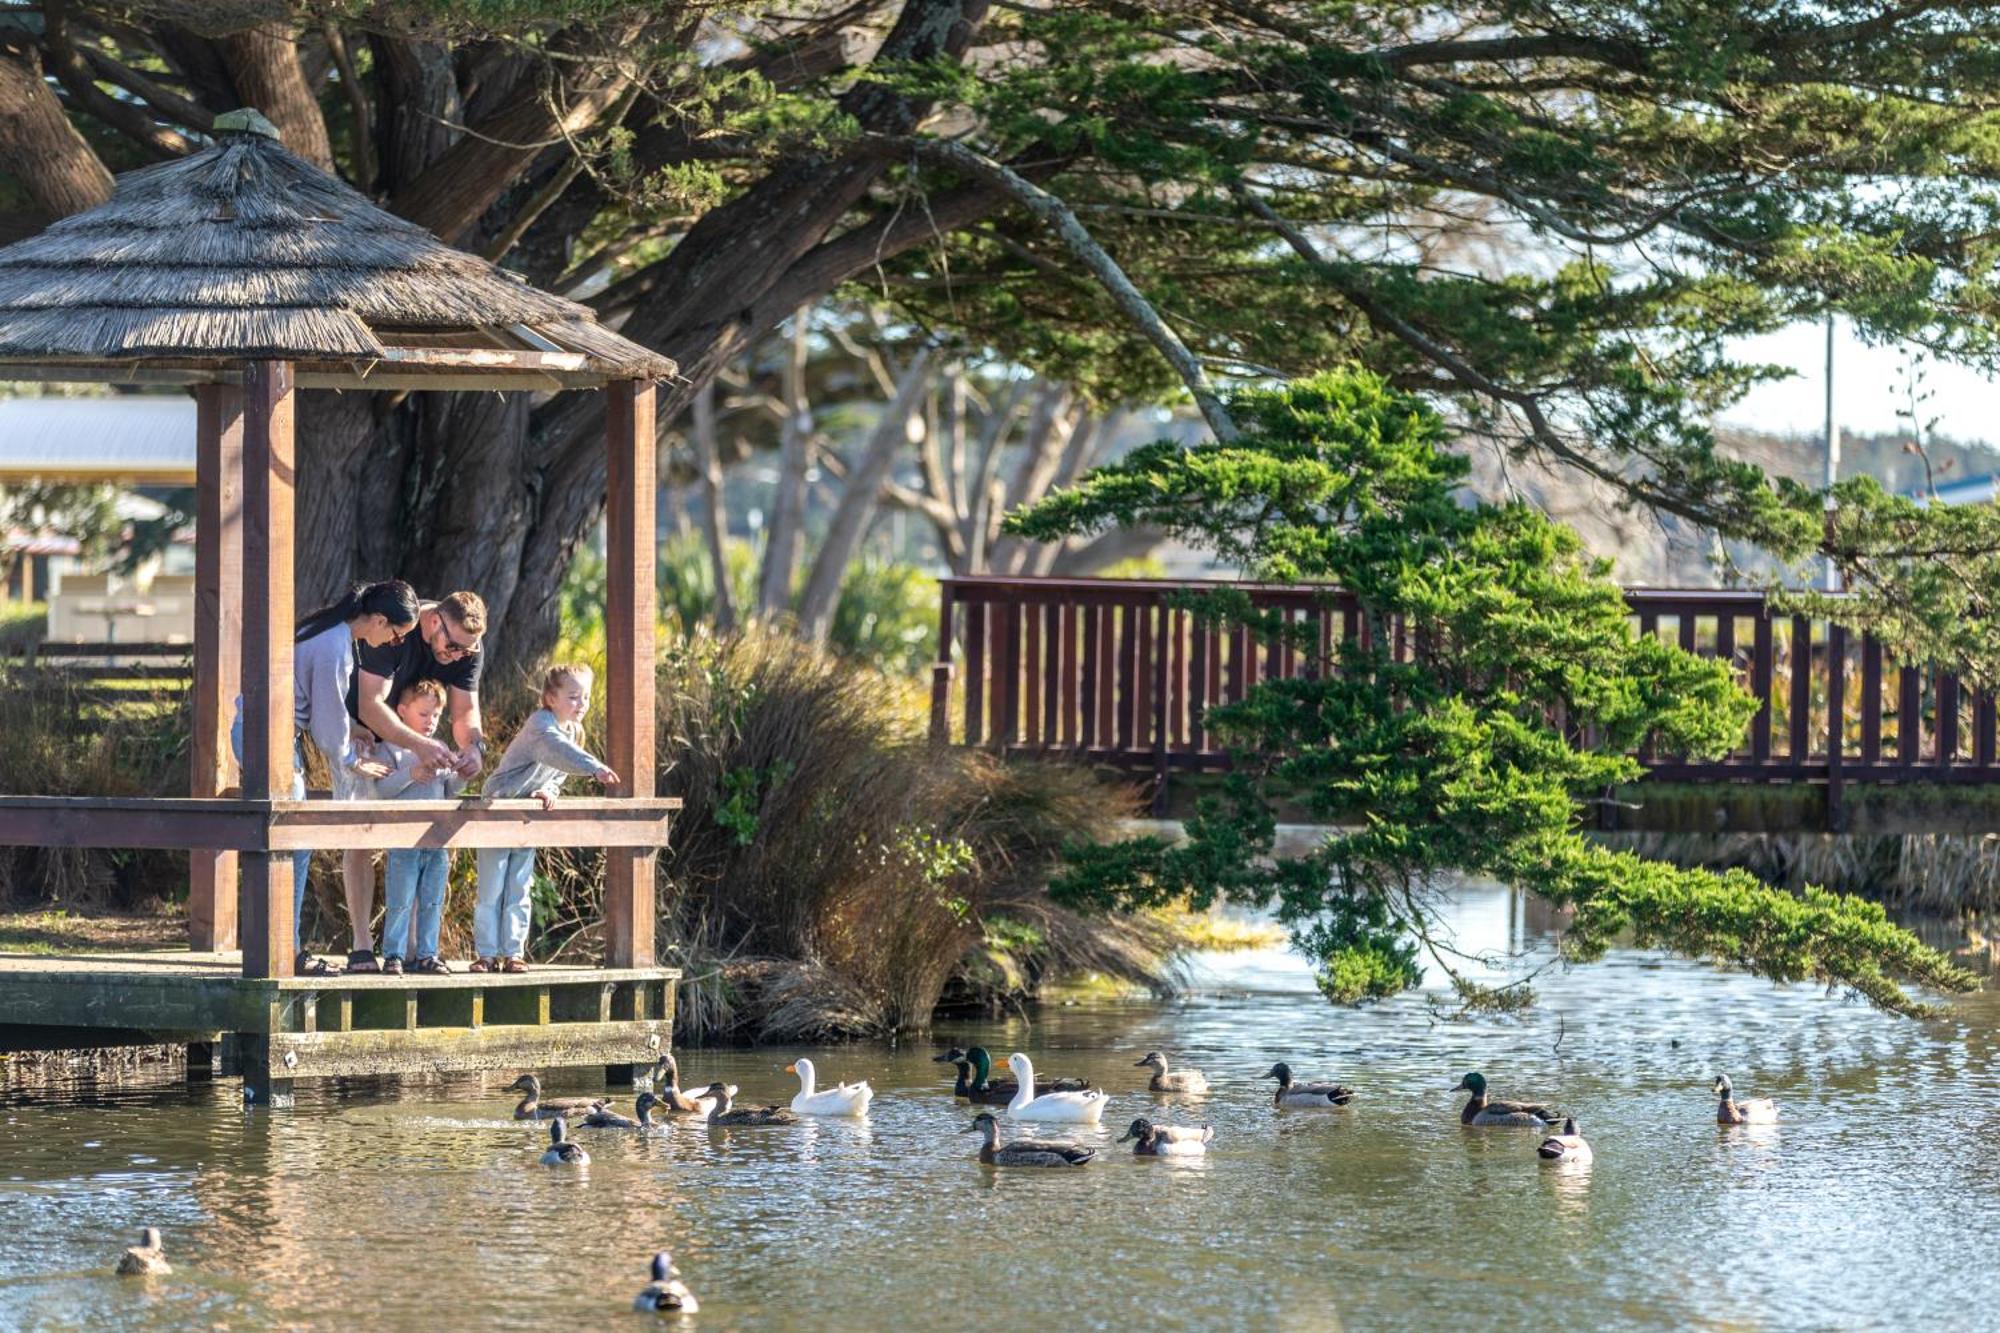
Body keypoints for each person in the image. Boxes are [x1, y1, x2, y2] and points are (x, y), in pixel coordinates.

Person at [232, 579, 419, 976]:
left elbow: (322, 710)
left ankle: (282, 944)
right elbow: (327, 727)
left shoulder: (324, 628)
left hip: (261, 732)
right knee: (295, 836)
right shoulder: (336, 645)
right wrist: (352, 758)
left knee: (288, 838)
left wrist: (350, 730)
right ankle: (287, 949)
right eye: (396, 635)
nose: (393, 644)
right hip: (268, 739)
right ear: (380, 620)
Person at [342, 590, 487, 972]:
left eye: (466, 651)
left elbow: (465, 711)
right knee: (360, 828)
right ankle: (361, 943)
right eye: (452, 646)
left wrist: (472, 749)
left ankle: (413, 951)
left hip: (413, 738)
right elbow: (369, 704)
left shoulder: (468, 646)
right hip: (358, 728)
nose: (457, 656)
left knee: (421, 855)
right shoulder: (398, 630)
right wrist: (421, 746)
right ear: (434, 620)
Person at [474, 664, 619, 973]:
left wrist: (549, 789)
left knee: (519, 887)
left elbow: (557, 773)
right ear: (551, 698)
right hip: (498, 808)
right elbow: (555, 751)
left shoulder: (574, 731)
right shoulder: (541, 723)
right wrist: (594, 767)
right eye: (573, 697)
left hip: (526, 818)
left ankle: (513, 952)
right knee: (491, 888)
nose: (582, 704)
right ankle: (486, 954)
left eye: (586, 698)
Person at [371, 679, 466, 976]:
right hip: (404, 839)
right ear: (401, 711)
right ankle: (394, 954)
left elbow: (450, 790)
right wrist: (413, 772)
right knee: (400, 900)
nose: (430, 722)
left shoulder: (439, 747)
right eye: (423, 715)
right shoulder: (391, 749)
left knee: (432, 900)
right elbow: (382, 789)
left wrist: (462, 773)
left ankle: (427, 953)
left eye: (436, 716)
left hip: (436, 840)